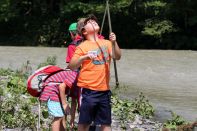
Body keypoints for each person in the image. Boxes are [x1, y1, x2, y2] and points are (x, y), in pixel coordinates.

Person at [69, 14, 121, 131]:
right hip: (88, 90)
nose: (93, 22)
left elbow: (117, 56)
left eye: (94, 21)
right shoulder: (82, 46)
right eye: (90, 22)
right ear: (84, 31)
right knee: (84, 123)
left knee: (106, 123)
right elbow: (71, 66)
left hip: (104, 90)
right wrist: (84, 57)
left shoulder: (107, 43)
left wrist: (114, 42)